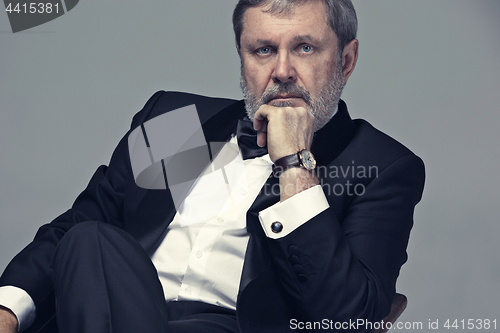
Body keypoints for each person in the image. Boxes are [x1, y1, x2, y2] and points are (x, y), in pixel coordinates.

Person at [0, 0, 425, 332]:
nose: (281, 71)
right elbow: (72, 229)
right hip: (101, 315)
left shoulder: (379, 165)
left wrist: (295, 166)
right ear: (242, 57)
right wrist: (7, 308)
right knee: (88, 238)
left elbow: (348, 318)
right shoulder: (177, 120)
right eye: (262, 50)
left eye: (304, 47)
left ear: (346, 61)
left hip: (228, 326)